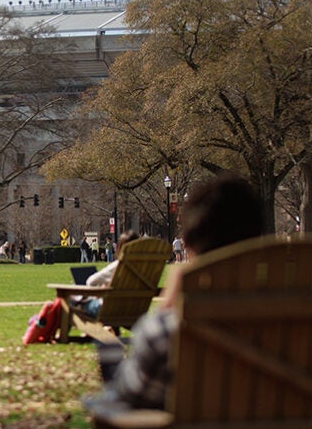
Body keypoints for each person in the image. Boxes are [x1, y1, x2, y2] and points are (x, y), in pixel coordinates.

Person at [95, 171, 266, 412]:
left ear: (189, 245)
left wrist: (165, 311)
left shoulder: (165, 331)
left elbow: (134, 400)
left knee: (109, 353)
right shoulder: (300, 328)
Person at [74, 230, 141, 317]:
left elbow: (91, 281)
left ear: (120, 248)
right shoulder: (145, 268)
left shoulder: (119, 266)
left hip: (112, 310)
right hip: (136, 310)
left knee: (72, 300)